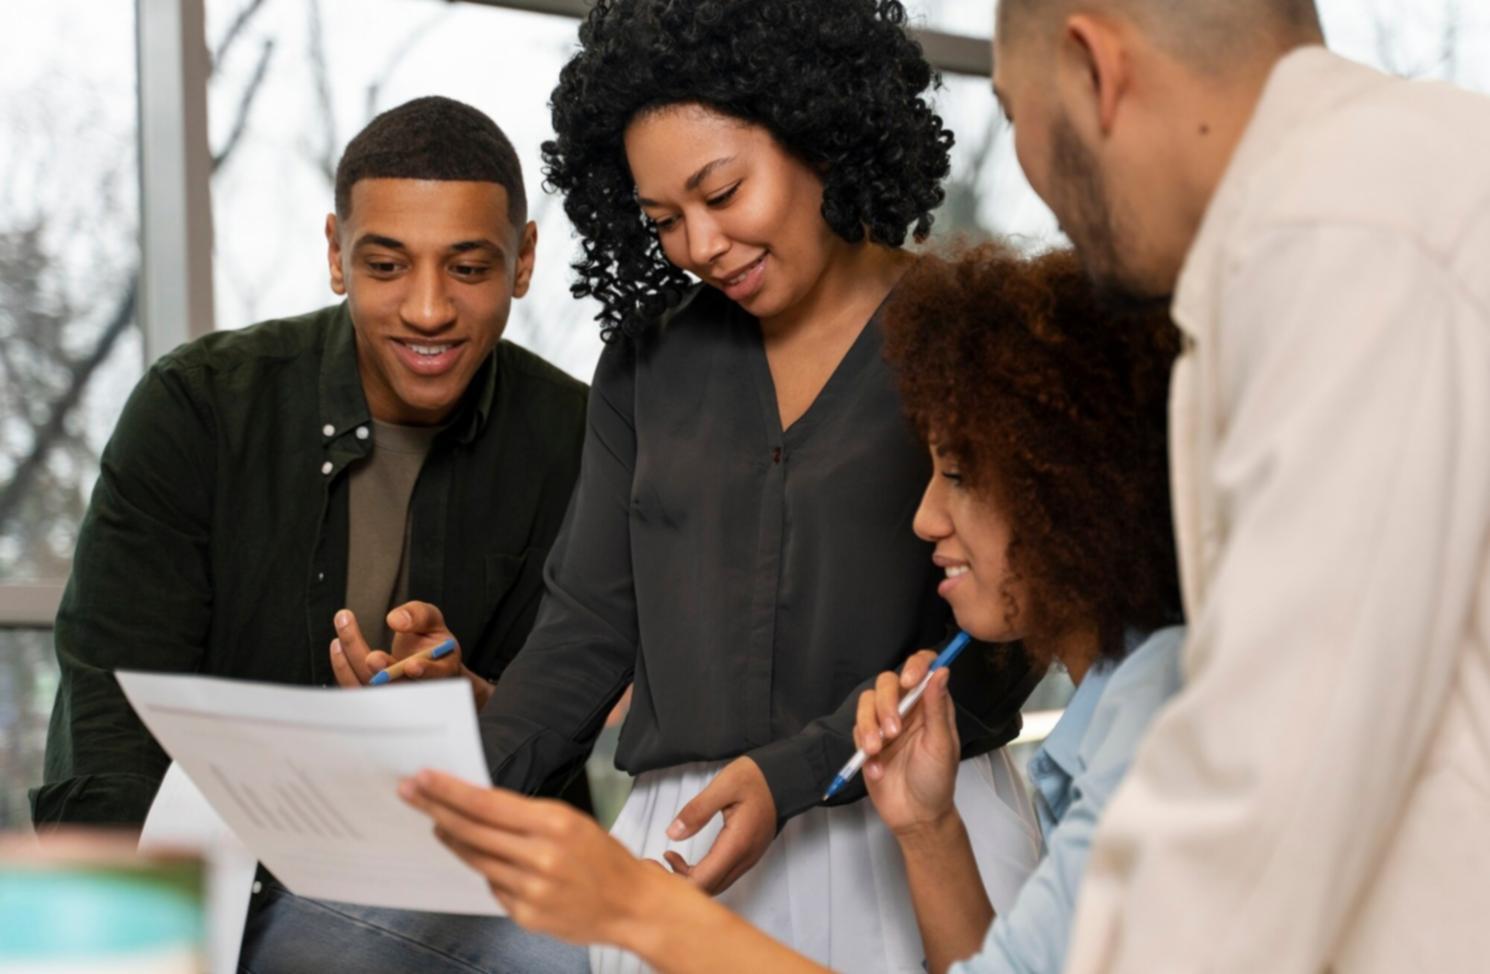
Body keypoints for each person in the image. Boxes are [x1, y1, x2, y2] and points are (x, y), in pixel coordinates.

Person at [336, 2, 1043, 970]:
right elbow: (587, 627)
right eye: (662, 218)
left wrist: (793, 770)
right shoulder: (643, 368)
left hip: (920, 825)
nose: (700, 245)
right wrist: (452, 791)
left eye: (722, 192)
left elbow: (1005, 636)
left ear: (818, 135)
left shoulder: (962, 340)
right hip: (684, 845)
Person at [399, 243, 1186, 974]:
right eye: (665, 216)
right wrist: (927, 830)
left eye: (955, 474)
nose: (923, 521)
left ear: (1077, 492)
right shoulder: (1111, 733)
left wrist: (643, 910)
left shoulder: (1162, 751)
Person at [32, 96, 591, 968]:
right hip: (215, 865)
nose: (429, 309)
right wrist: (114, 936)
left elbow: (570, 739)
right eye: (387, 265)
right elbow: (113, 700)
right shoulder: (200, 407)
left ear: (523, 263)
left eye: (469, 269)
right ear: (336, 254)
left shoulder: (576, 438)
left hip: (449, 872)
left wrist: (479, 710)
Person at [989, 1, 1490, 971]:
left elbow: (1265, 791)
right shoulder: (1388, 187)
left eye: (1012, 111)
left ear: (1093, 67)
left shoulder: (1340, 233)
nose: (1026, 173)